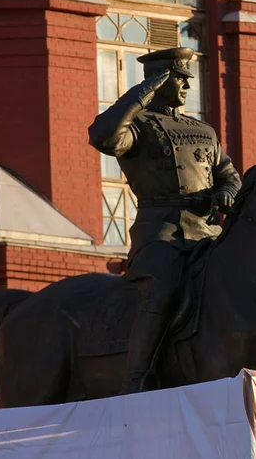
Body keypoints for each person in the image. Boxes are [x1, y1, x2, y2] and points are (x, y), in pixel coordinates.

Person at [88, 47, 241, 394]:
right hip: (162, 231)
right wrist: (142, 94)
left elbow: (229, 175)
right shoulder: (137, 126)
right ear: (159, 82)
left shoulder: (203, 131)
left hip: (208, 233)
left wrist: (228, 192)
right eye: (178, 77)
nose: (187, 84)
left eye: (188, 77)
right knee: (162, 289)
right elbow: (102, 135)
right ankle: (136, 377)